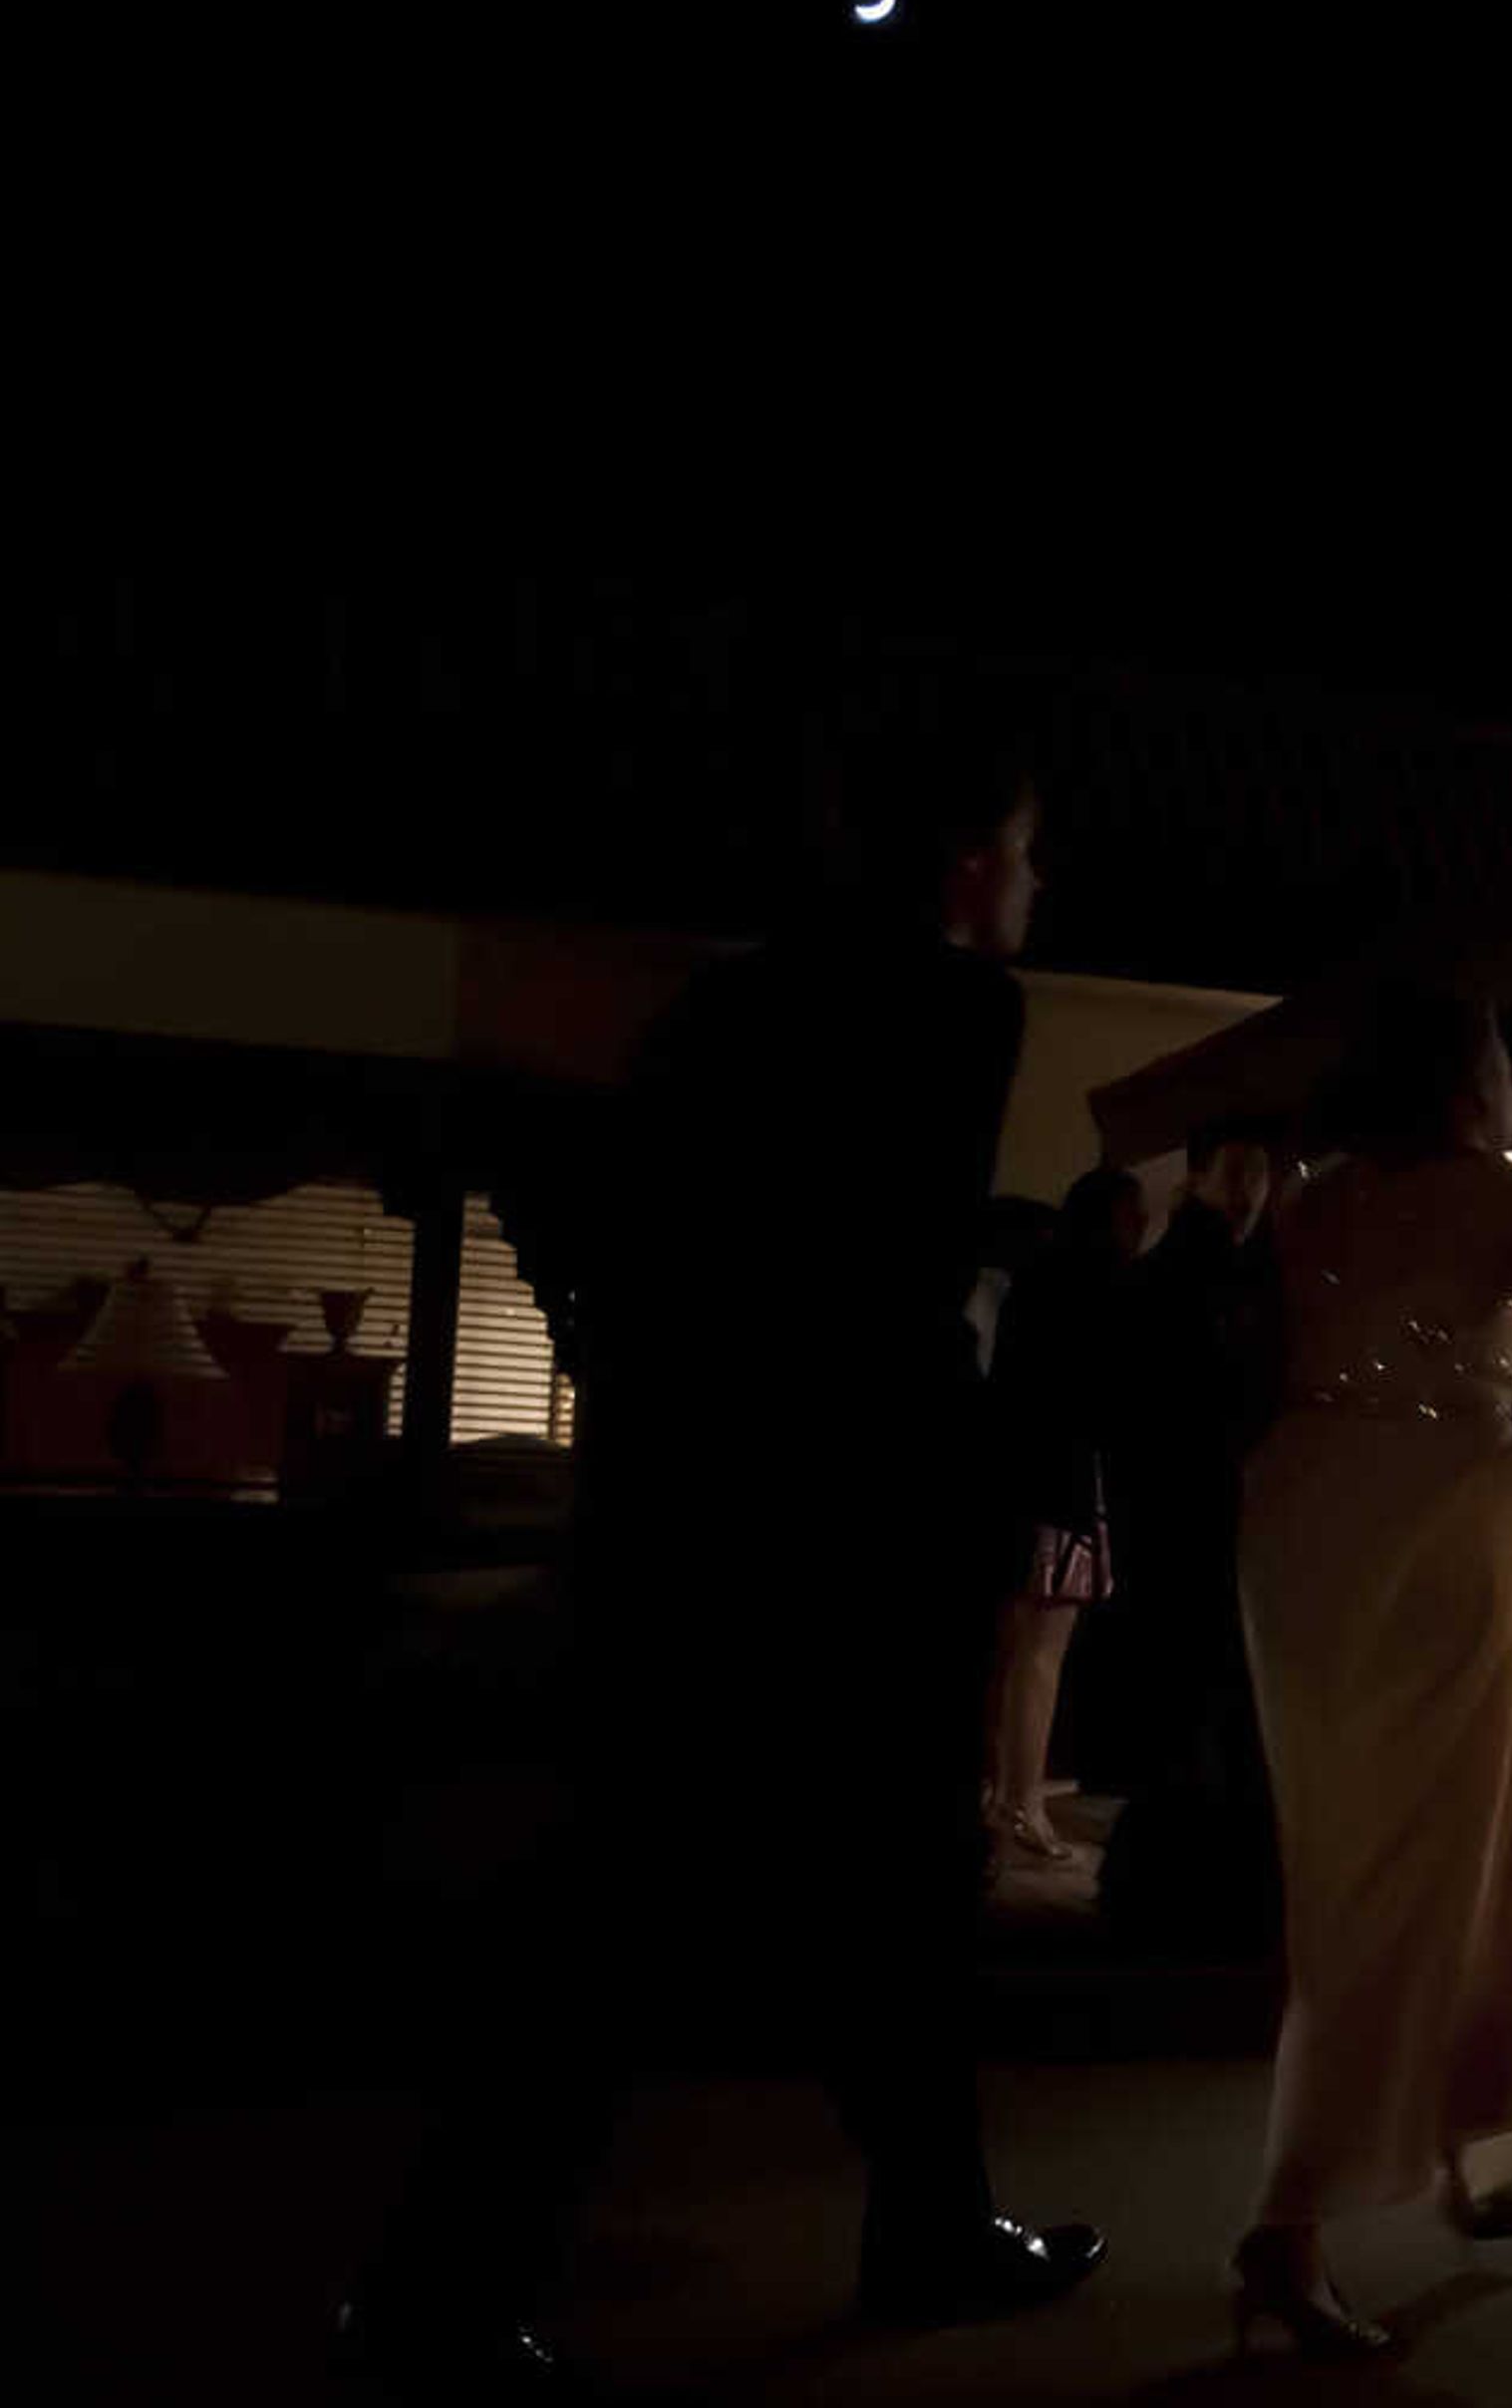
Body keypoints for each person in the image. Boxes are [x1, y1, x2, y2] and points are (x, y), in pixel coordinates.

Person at [340, 737, 1101, 2397]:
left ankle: (912, 2220)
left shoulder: (721, 1007)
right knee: (799, 1895)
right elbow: (873, 1290)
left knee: (645, 1898)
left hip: (675, 1507)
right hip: (837, 1528)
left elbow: (697, 1253)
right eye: (1030, 854)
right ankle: (456, 2298)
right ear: (972, 865)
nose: (1038, 889)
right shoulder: (963, 1007)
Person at [1228, 984, 1512, 2358]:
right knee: (1428, 1860)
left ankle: (1470, 2135)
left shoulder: (1311, 1203)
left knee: (1386, 1848)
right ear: (1477, 1077)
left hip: (1302, 1524)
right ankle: (1293, 2221)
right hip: (1445, 1522)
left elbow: (1261, 1366)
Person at [1095, 1117, 1285, 1950]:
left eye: (1259, 1171)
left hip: (1231, 1517)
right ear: (1201, 1176)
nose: (1248, 1188)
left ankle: (1204, 1884)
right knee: (1190, 1698)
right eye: (1234, 1169)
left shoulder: (1258, 1275)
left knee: (1222, 1702)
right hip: (1181, 1516)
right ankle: (1184, 1888)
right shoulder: (1173, 1280)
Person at [985, 1164, 1145, 1862]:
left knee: (1014, 1650)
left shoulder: (1032, 1284)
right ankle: (1022, 1803)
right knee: (1042, 1654)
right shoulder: (1099, 1290)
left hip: (1016, 1484)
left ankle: (1004, 1793)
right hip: (1063, 1489)